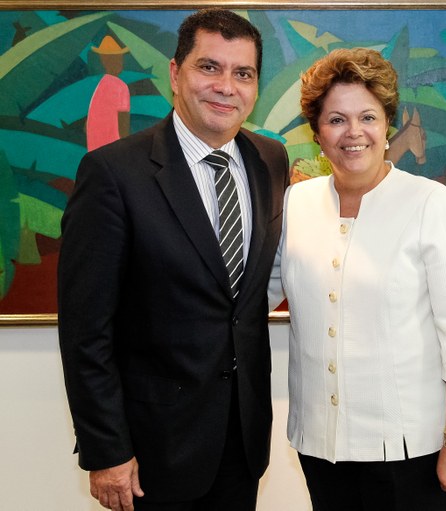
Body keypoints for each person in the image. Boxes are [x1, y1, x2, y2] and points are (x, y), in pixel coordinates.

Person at [58, 9, 289, 510]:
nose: (226, 86)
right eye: (209, 67)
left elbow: (242, 302)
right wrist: (107, 449)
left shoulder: (270, 160)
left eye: (243, 73)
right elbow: (85, 330)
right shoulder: (112, 173)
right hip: (152, 450)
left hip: (243, 440)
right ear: (175, 73)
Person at [269, 47, 446, 510]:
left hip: (408, 452)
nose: (354, 132)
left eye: (367, 117)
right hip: (319, 446)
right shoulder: (294, 204)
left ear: (387, 125)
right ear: (317, 133)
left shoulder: (431, 204)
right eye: (336, 119)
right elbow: (253, 298)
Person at [87, 35, 131, 151]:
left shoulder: (101, 85)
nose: (120, 62)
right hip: (113, 152)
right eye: (117, 58)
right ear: (105, 61)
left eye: (120, 58)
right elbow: (123, 129)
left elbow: (87, 126)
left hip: (96, 153)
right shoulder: (120, 87)